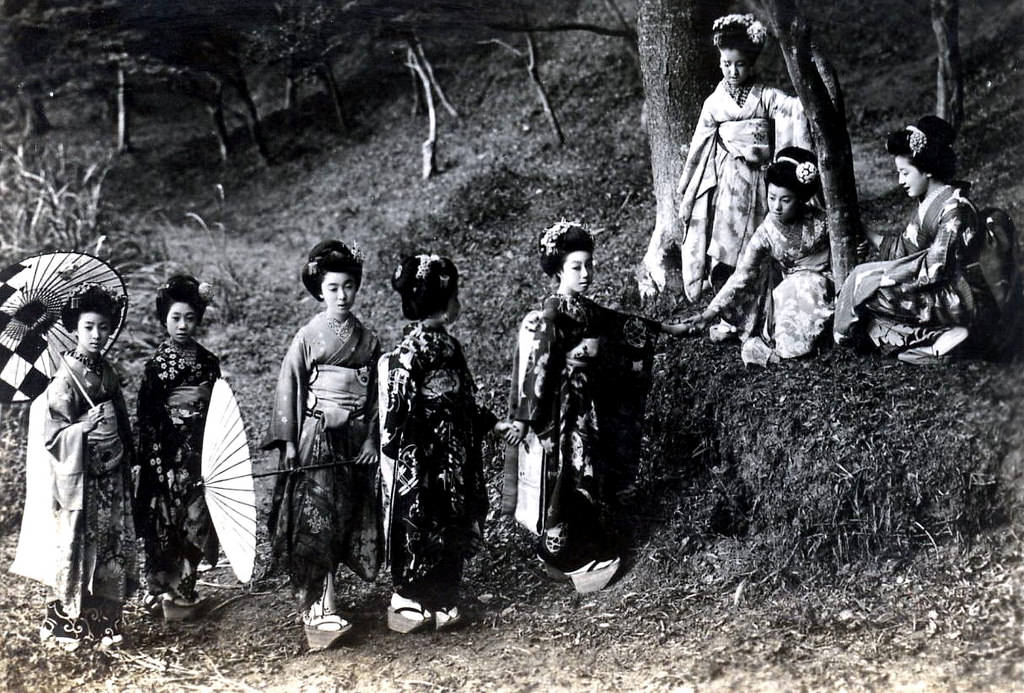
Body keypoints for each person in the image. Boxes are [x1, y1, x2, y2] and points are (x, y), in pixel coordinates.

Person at [505, 221, 688, 593]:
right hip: (562, 413)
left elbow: (620, 323)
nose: (586, 273)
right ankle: (568, 556)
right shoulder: (552, 314)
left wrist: (666, 329)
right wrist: (535, 420)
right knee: (568, 480)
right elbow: (536, 369)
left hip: (584, 409)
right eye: (576, 267)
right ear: (557, 269)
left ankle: (569, 552)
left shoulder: (584, 309)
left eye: (589, 264)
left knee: (583, 477)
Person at [640, 12, 811, 329]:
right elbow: (698, 148)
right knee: (726, 244)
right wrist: (687, 190)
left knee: (760, 241)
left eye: (740, 64)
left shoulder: (766, 97)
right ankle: (729, 308)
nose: (733, 71)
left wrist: (804, 105)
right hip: (728, 181)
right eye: (726, 64)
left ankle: (760, 306)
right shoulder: (713, 104)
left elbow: (793, 110)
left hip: (761, 178)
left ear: (752, 63)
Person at [378, 254, 515, 633]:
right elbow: (399, 406)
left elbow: (465, 399)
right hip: (423, 451)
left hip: (453, 451)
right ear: (441, 301)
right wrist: (397, 444)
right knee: (421, 517)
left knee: (453, 515)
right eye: (455, 295)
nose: (458, 303)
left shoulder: (451, 348)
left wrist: (491, 423)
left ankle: (444, 595)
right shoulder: (409, 352)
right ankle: (408, 596)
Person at [263, 240, 383, 650]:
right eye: (332, 288)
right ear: (319, 289)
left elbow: (377, 397)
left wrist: (370, 438)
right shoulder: (309, 336)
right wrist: (291, 445)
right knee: (317, 516)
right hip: (315, 435)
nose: (342, 295)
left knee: (346, 515)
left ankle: (330, 598)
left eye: (349, 286)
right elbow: (290, 388)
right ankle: (317, 606)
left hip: (353, 439)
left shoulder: (368, 340)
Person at [20, 284, 137, 651]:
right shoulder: (63, 379)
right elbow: (53, 436)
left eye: (103, 326)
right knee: (79, 548)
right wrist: (81, 428)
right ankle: (65, 626)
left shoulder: (106, 371)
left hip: (110, 475)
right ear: (74, 328)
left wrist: (127, 455)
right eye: (88, 327)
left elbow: (120, 417)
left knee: (110, 547)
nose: (97, 335)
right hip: (81, 478)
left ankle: (105, 624)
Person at [834, 115, 1003, 364]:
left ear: (928, 169)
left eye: (904, 172)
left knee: (867, 291)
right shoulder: (928, 203)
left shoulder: (956, 209)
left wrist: (880, 278)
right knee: (865, 289)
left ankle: (941, 337)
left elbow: (935, 270)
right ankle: (936, 341)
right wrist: (866, 233)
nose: (900, 181)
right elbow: (905, 250)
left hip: (961, 296)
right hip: (936, 291)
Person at [676, 147, 834, 366]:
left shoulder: (820, 219)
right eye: (772, 197)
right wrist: (707, 314)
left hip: (827, 281)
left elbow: (851, 237)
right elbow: (742, 275)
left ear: (800, 199)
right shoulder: (766, 233)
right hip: (793, 289)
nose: (776, 206)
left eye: (785, 200)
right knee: (786, 311)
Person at [135, 275, 221, 621]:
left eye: (189, 317)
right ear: (164, 319)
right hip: (168, 457)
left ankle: (185, 588)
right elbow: (148, 416)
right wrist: (157, 462)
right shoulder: (156, 366)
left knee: (198, 518)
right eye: (175, 318)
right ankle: (167, 592)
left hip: (202, 453)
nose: (182, 325)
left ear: (198, 318)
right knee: (168, 522)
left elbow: (219, 407)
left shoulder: (207, 361)